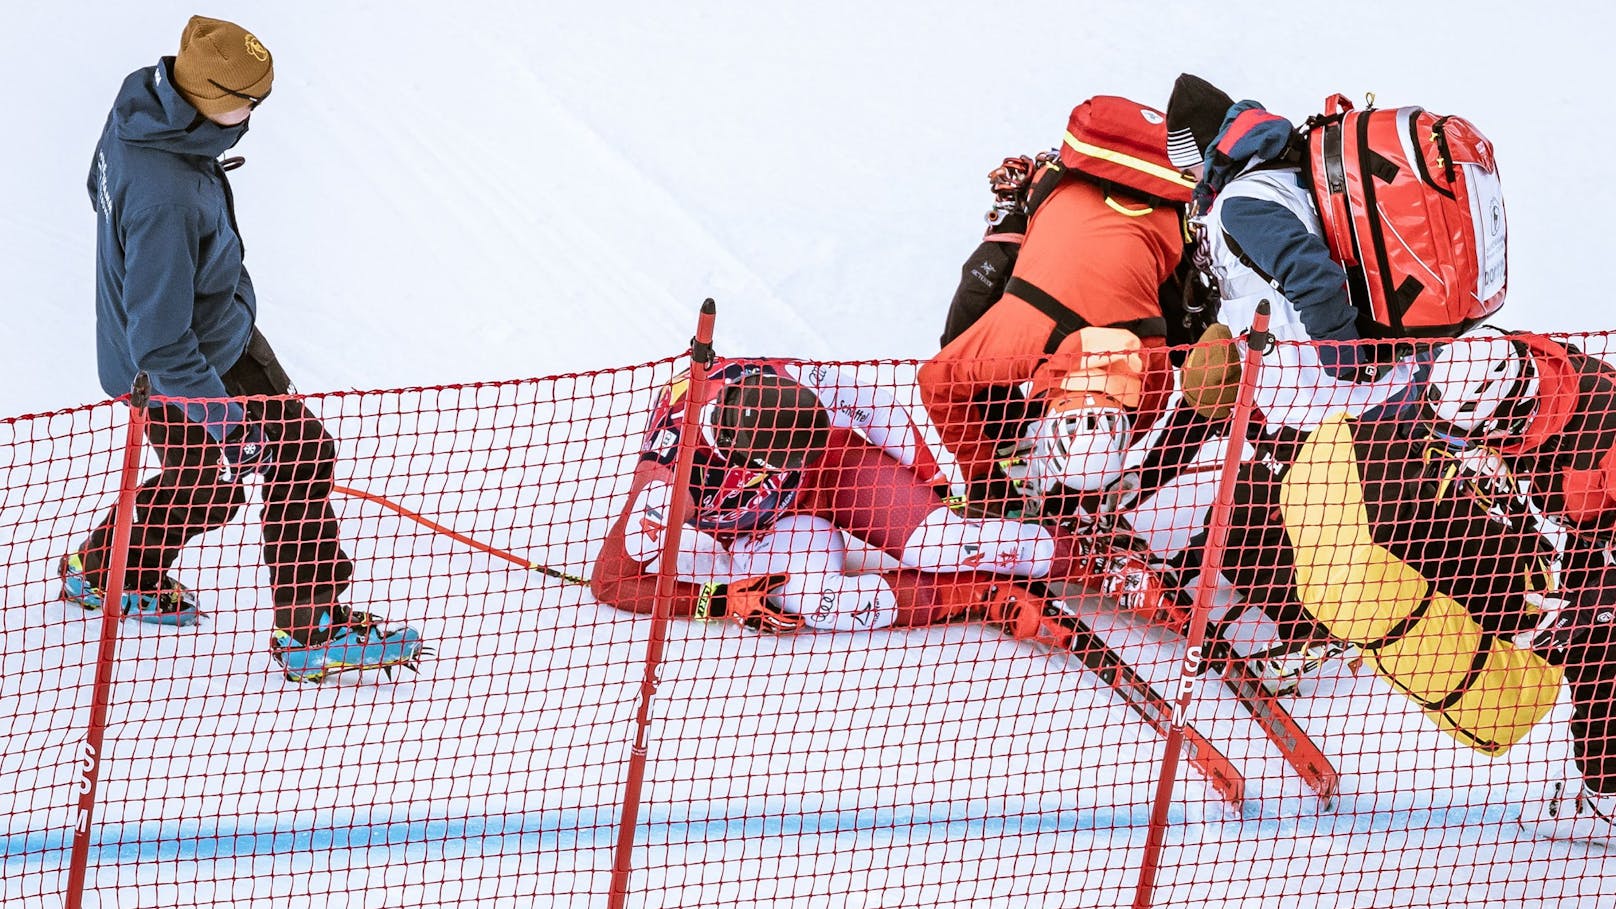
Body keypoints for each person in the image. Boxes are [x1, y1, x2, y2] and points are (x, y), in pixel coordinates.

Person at [62, 16, 424, 683]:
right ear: (207, 95)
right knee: (299, 450)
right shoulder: (165, 193)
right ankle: (312, 627)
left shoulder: (142, 107)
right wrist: (228, 422)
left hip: (197, 340)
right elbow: (162, 341)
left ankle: (106, 569)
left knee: (205, 485)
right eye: (247, 101)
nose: (253, 113)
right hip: (182, 367)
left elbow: (99, 187)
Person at [591, 358, 1089, 641]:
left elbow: (875, 409)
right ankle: (973, 595)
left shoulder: (788, 378)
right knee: (812, 602)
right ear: (754, 463)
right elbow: (611, 580)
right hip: (765, 526)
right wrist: (717, 600)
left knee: (941, 543)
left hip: (841, 469)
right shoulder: (668, 478)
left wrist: (930, 484)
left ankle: (1093, 560)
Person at [919, 95, 1196, 519]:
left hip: (1153, 208)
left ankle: (1011, 431)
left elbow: (1149, 407)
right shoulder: (1024, 332)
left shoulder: (1151, 358)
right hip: (1073, 199)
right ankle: (1007, 428)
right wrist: (982, 477)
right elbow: (936, 380)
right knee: (970, 315)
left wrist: (985, 477)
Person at [1421, 326, 1616, 841]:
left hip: (1605, 540)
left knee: (1603, 664)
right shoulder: (1491, 362)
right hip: (1579, 536)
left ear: (1514, 409)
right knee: (1580, 657)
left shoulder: (1606, 431)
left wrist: (1597, 599)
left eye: (1485, 431)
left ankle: (1605, 795)